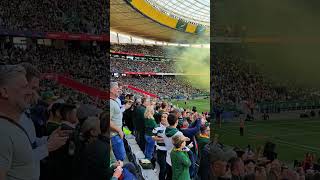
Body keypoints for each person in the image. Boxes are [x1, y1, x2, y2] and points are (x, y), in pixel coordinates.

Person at [0, 65, 35, 180]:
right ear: (4, 91)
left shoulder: (9, 126)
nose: (30, 92)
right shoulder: (2, 132)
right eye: (24, 87)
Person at [164, 113, 187, 180]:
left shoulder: (165, 131)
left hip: (168, 157)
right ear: (176, 121)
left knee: (168, 176)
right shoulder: (179, 133)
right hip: (175, 160)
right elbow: (182, 146)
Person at [110, 82, 126, 161]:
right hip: (114, 135)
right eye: (117, 89)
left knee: (121, 157)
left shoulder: (114, 101)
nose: (119, 91)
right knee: (121, 158)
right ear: (111, 90)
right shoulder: (111, 103)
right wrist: (119, 130)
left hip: (116, 134)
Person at [153, 112, 169, 180]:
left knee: (167, 169)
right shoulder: (157, 127)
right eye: (162, 117)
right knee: (163, 168)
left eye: (165, 117)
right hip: (161, 151)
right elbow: (154, 138)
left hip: (168, 151)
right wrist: (165, 139)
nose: (163, 118)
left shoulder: (170, 126)